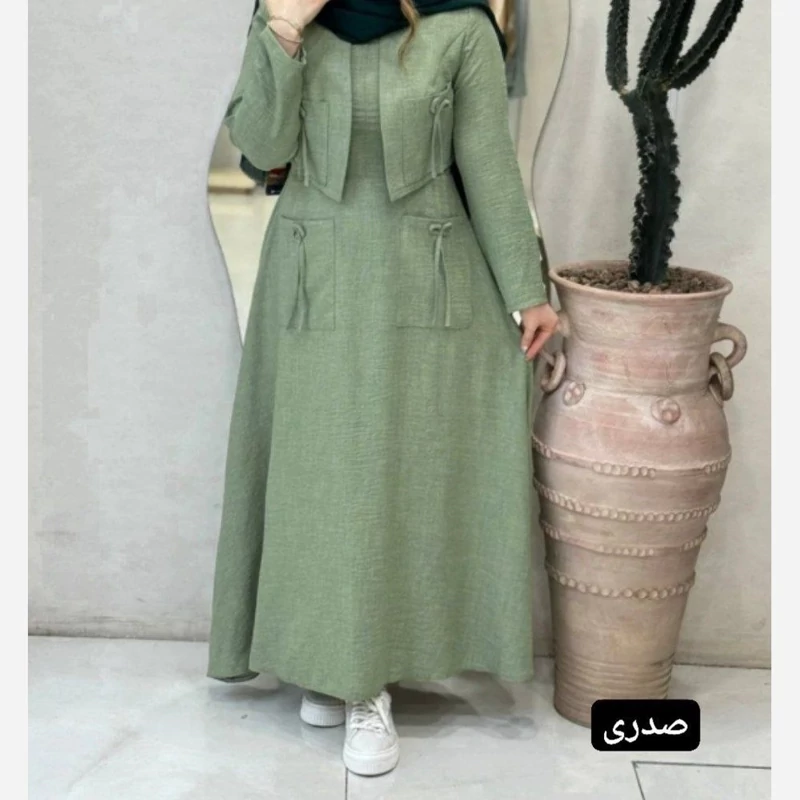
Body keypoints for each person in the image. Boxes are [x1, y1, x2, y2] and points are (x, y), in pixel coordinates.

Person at [207, 0, 559, 777]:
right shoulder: (284, 13)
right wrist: (284, 31)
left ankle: (363, 680)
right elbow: (261, 145)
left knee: (395, 479)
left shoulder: (460, 25)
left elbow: (487, 161)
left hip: (424, 275)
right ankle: (331, 662)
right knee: (321, 480)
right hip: (312, 279)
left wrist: (526, 289)